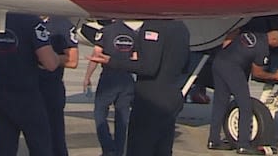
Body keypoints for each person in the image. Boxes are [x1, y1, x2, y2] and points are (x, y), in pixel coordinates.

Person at [90, 19, 189, 156]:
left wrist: (111, 61)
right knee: (162, 148)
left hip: (151, 100)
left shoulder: (153, 26)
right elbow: (185, 65)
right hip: (171, 95)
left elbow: (148, 67)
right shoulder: (181, 26)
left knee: (141, 147)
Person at [0, 13, 60, 156]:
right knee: (40, 146)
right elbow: (50, 64)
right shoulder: (32, 22)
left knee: (4, 148)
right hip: (26, 96)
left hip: (0, 95)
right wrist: (57, 56)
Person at [207, 30, 278, 154]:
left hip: (219, 62)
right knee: (245, 106)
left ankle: (213, 140)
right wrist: (276, 76)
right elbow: (257, 74)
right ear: (274, 40)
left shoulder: (252, 34)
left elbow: (233, 32)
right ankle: (243, 144)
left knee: (220, 104)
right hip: (233, 69)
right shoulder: (263, 49)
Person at [83, 20, 137, 156]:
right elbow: (135, 59)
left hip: (109, 77)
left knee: (100, 113)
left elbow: (96, 55)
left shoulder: (104, 32)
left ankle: (108, 148)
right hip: (127, 78)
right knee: (122, 117)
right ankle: (118, 151)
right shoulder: (132, 34)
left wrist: (87, 77)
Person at [40, 15, 79, 156]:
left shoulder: (62, 24)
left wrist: (47, 58)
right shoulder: (25, 20)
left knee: (55, 136)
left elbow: (72, 60)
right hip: (29, 87)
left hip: (51, 87)